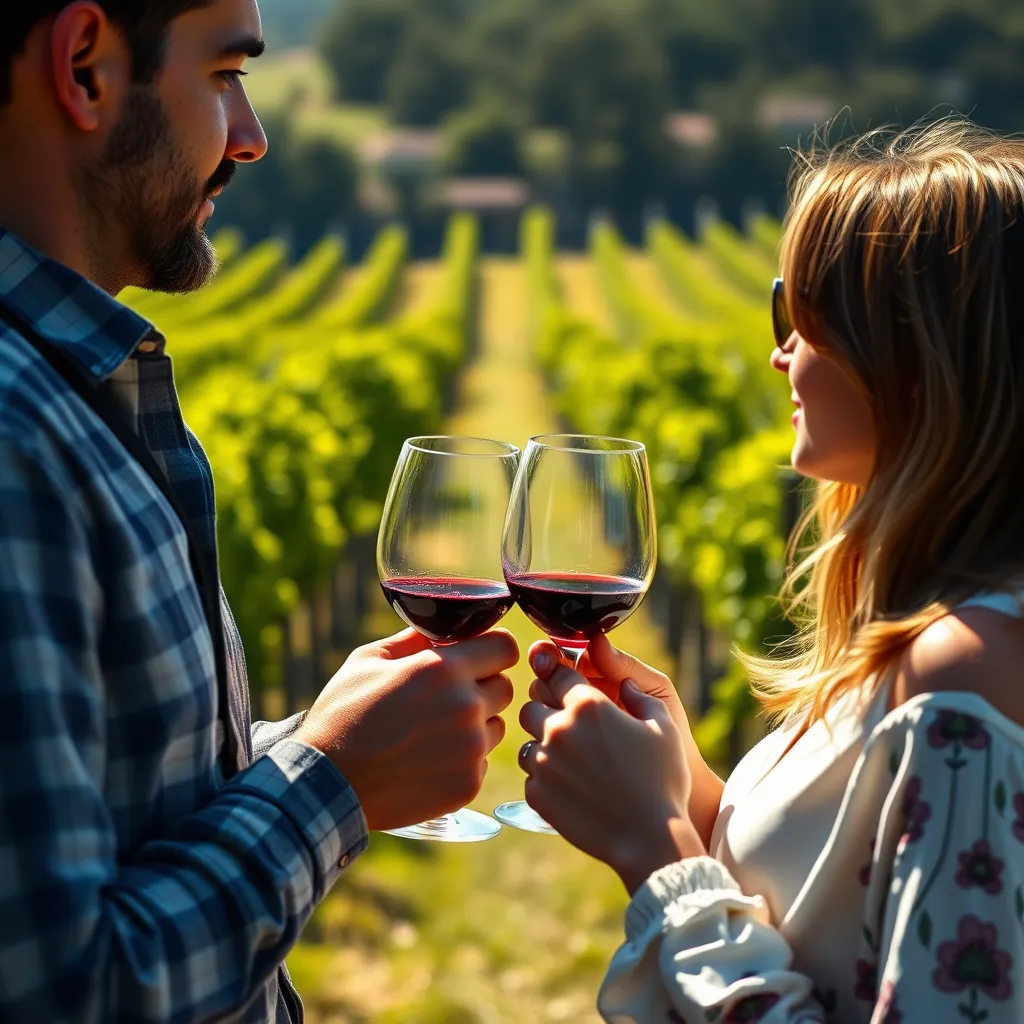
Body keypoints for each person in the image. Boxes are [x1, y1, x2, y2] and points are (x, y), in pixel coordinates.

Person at [0, 2, 518, 1021]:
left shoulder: (75, 400)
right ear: (86, 69)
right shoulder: (16, 441)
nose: (250, 134)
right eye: (224, 74)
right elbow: (65, 990)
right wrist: (334, 779)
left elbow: (123, 806)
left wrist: (305, 741)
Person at [518, 119, 1024, 1023]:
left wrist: (660, 852)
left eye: (802, 312)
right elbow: (833, 907)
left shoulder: (967, 684)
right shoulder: (937, 645)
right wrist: (690, 790)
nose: (778, 350)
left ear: (912, 355)